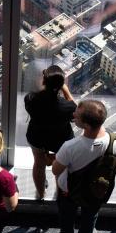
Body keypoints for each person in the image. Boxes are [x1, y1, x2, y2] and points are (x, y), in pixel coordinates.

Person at [52, 100, 116, 233]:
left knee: (67, 220)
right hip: (98, 190)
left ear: (86, 126)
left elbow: (56, 170)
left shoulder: (70, 147)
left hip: (69, 191)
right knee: (90, 218)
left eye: (77, 115)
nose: (73, 114)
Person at [24, 65, 77, 200]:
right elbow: (75, 112)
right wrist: (65, 90)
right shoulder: (66, 107)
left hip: (37, 136)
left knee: (38, 163)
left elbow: (40, 100)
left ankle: (40, 194)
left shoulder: (31, 99)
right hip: (60, 139)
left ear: (44, 81)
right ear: (60, 85)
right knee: (61, 167)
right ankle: (59, 196)